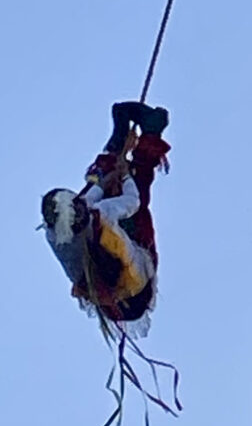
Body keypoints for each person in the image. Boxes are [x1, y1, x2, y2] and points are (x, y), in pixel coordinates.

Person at [42, 101, 171, 330]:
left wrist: (107, 177)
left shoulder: (54, 233)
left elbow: (91, 195)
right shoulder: (100, 217)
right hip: (132, 289)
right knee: (135, 215)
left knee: (104, 188)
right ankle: (148, 136)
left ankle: (117, 147)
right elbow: (133, 202)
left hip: (110, 294)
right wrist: (124, 176)